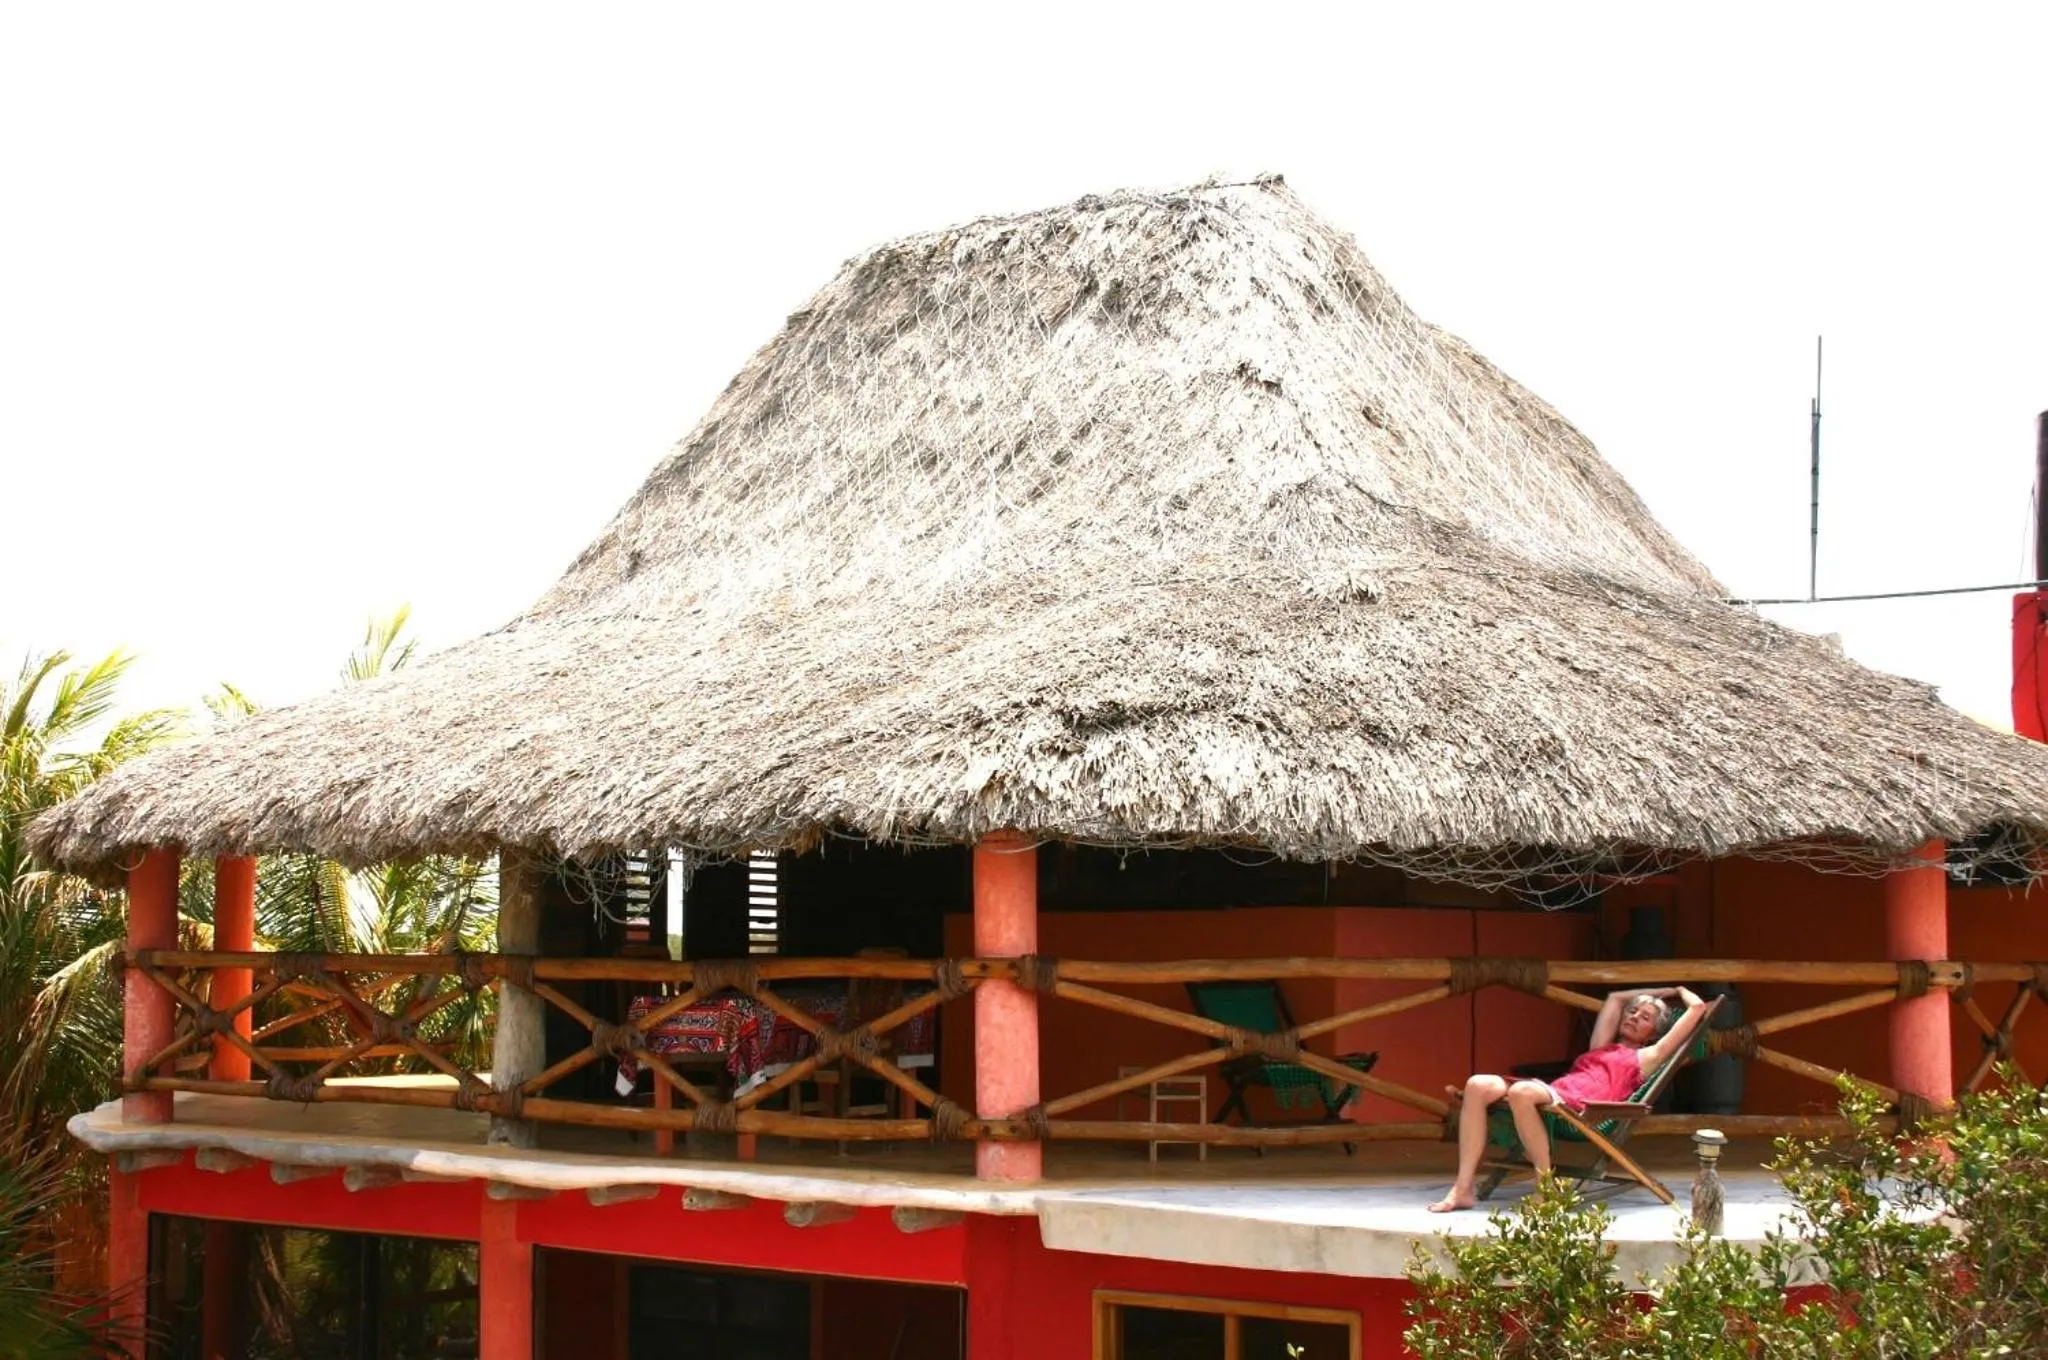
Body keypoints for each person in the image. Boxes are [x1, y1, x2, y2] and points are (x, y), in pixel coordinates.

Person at [1427, 985, 1709, 1212]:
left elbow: (1697, 1008)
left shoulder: (1646, 1057)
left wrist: (1679, 990)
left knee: (1521, 1092)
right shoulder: (1600, 1047)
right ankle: (1463, 1188)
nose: (1634, 1017)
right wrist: (1657, 992)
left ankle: (1545, 1186)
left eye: (1644, 1017)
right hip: (1556, 1093)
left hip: (1583, 1110)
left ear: (1652, 1034)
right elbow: (1614, 998)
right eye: (1632, 1012)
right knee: (1476, 1085)